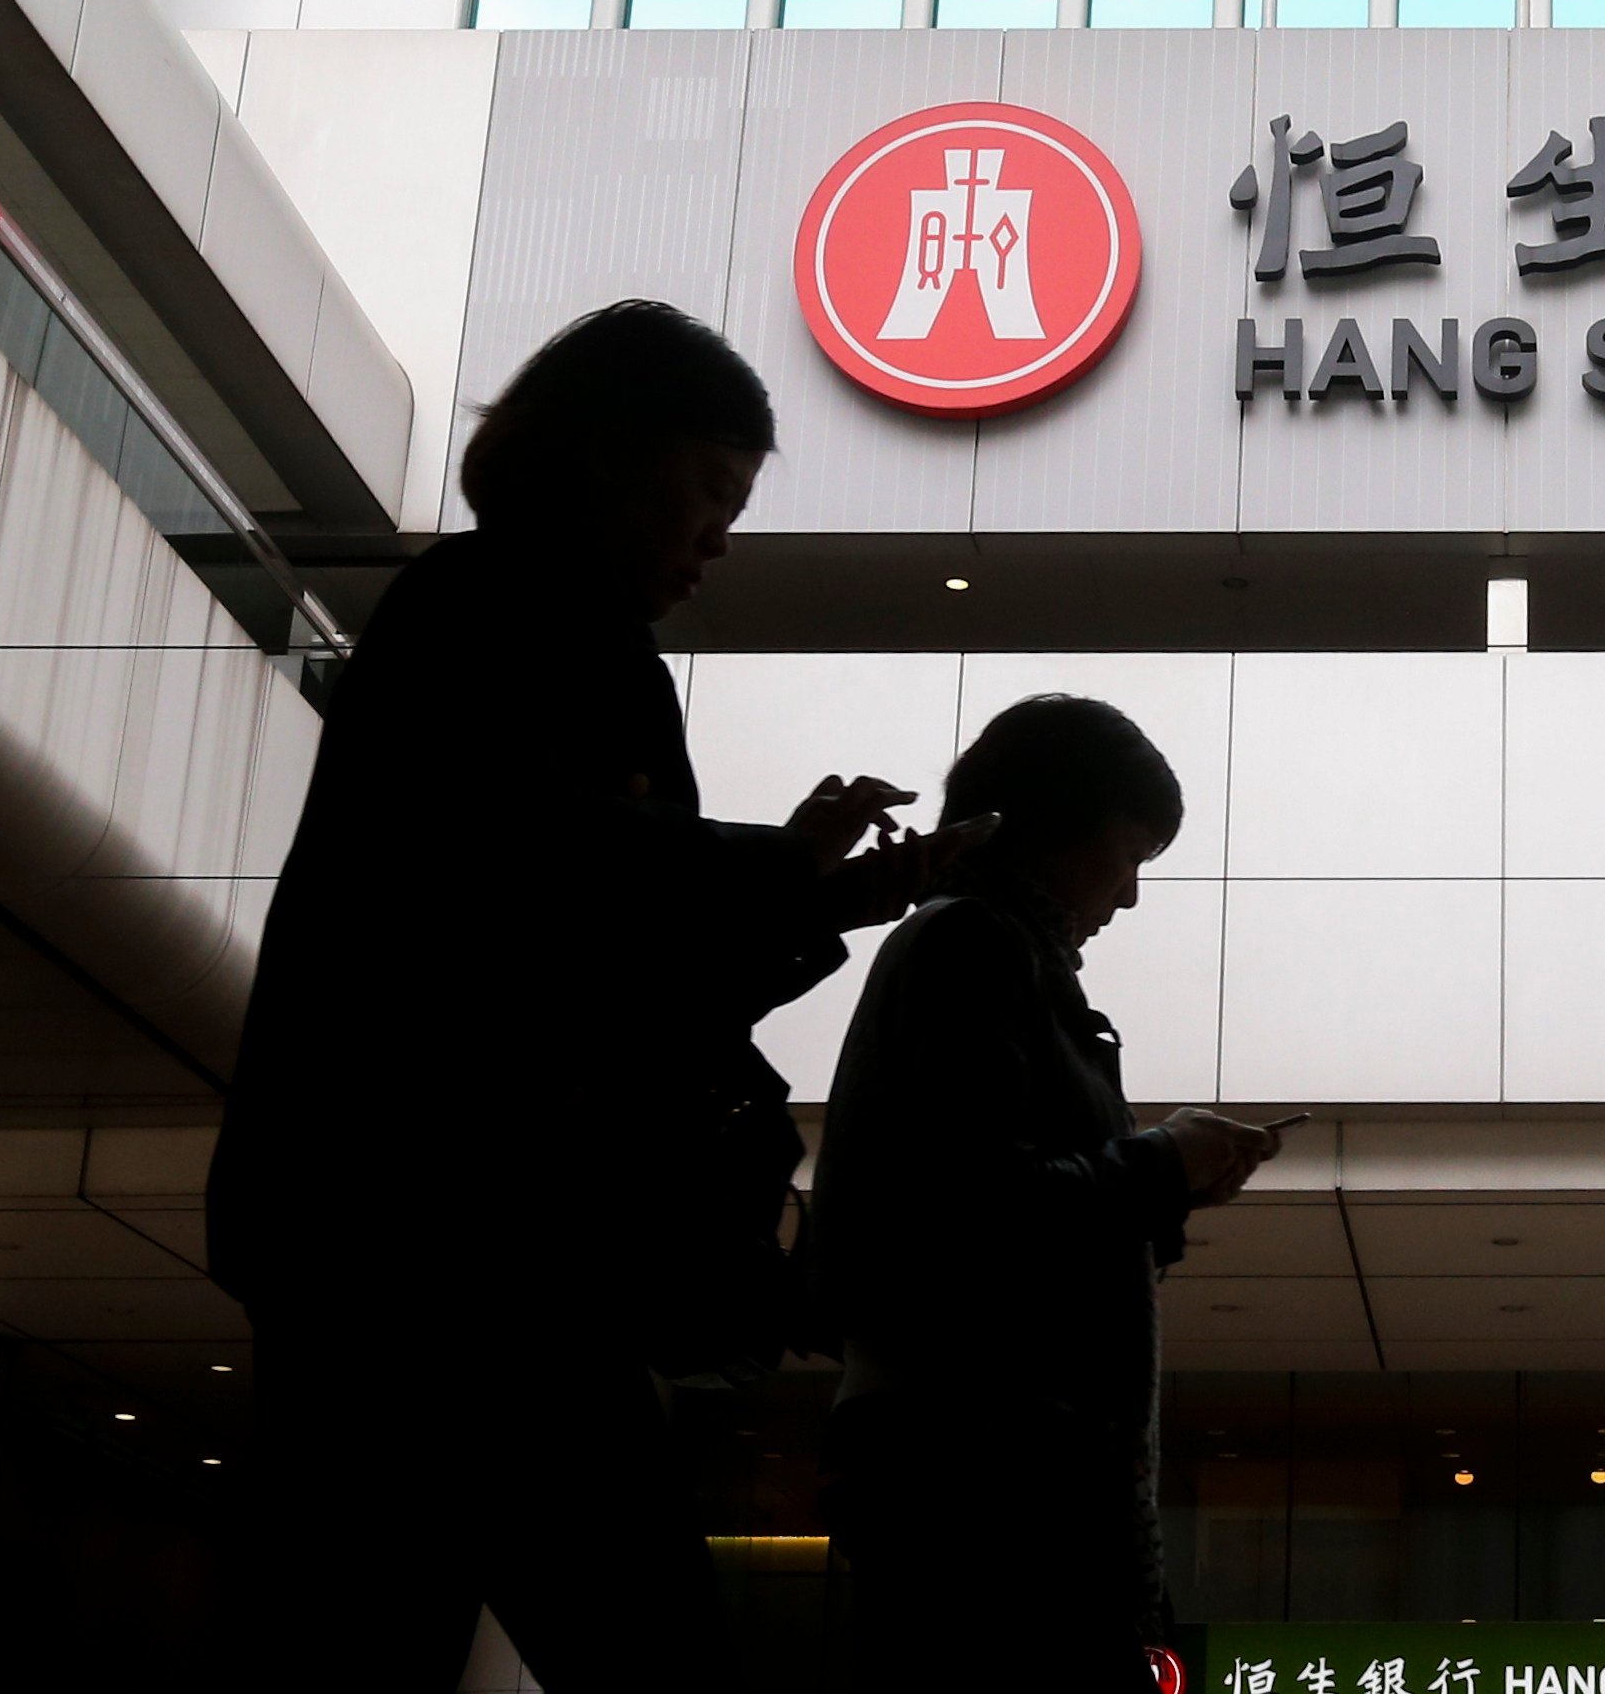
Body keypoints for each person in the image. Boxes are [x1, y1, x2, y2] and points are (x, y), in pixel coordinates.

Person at [207, 300, 983, 1694]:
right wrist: (789, 876)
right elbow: (529, 876)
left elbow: (593, 948)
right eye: (707, 491)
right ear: (603, 456)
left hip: (420, 1241)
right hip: (457, 1237)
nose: (716, 539)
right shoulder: (503, 613)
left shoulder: (495, 616)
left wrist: (826, 890)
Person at [811, 694, 1283, 1693]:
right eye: (1128, 856)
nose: (1128, 895)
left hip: (973, 1456)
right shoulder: (973, 949)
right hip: (985, 1468)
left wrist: (1167, 1183)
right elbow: (973, 1208)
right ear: (1042, 827)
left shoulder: (988, 953)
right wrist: (1160, 1165)